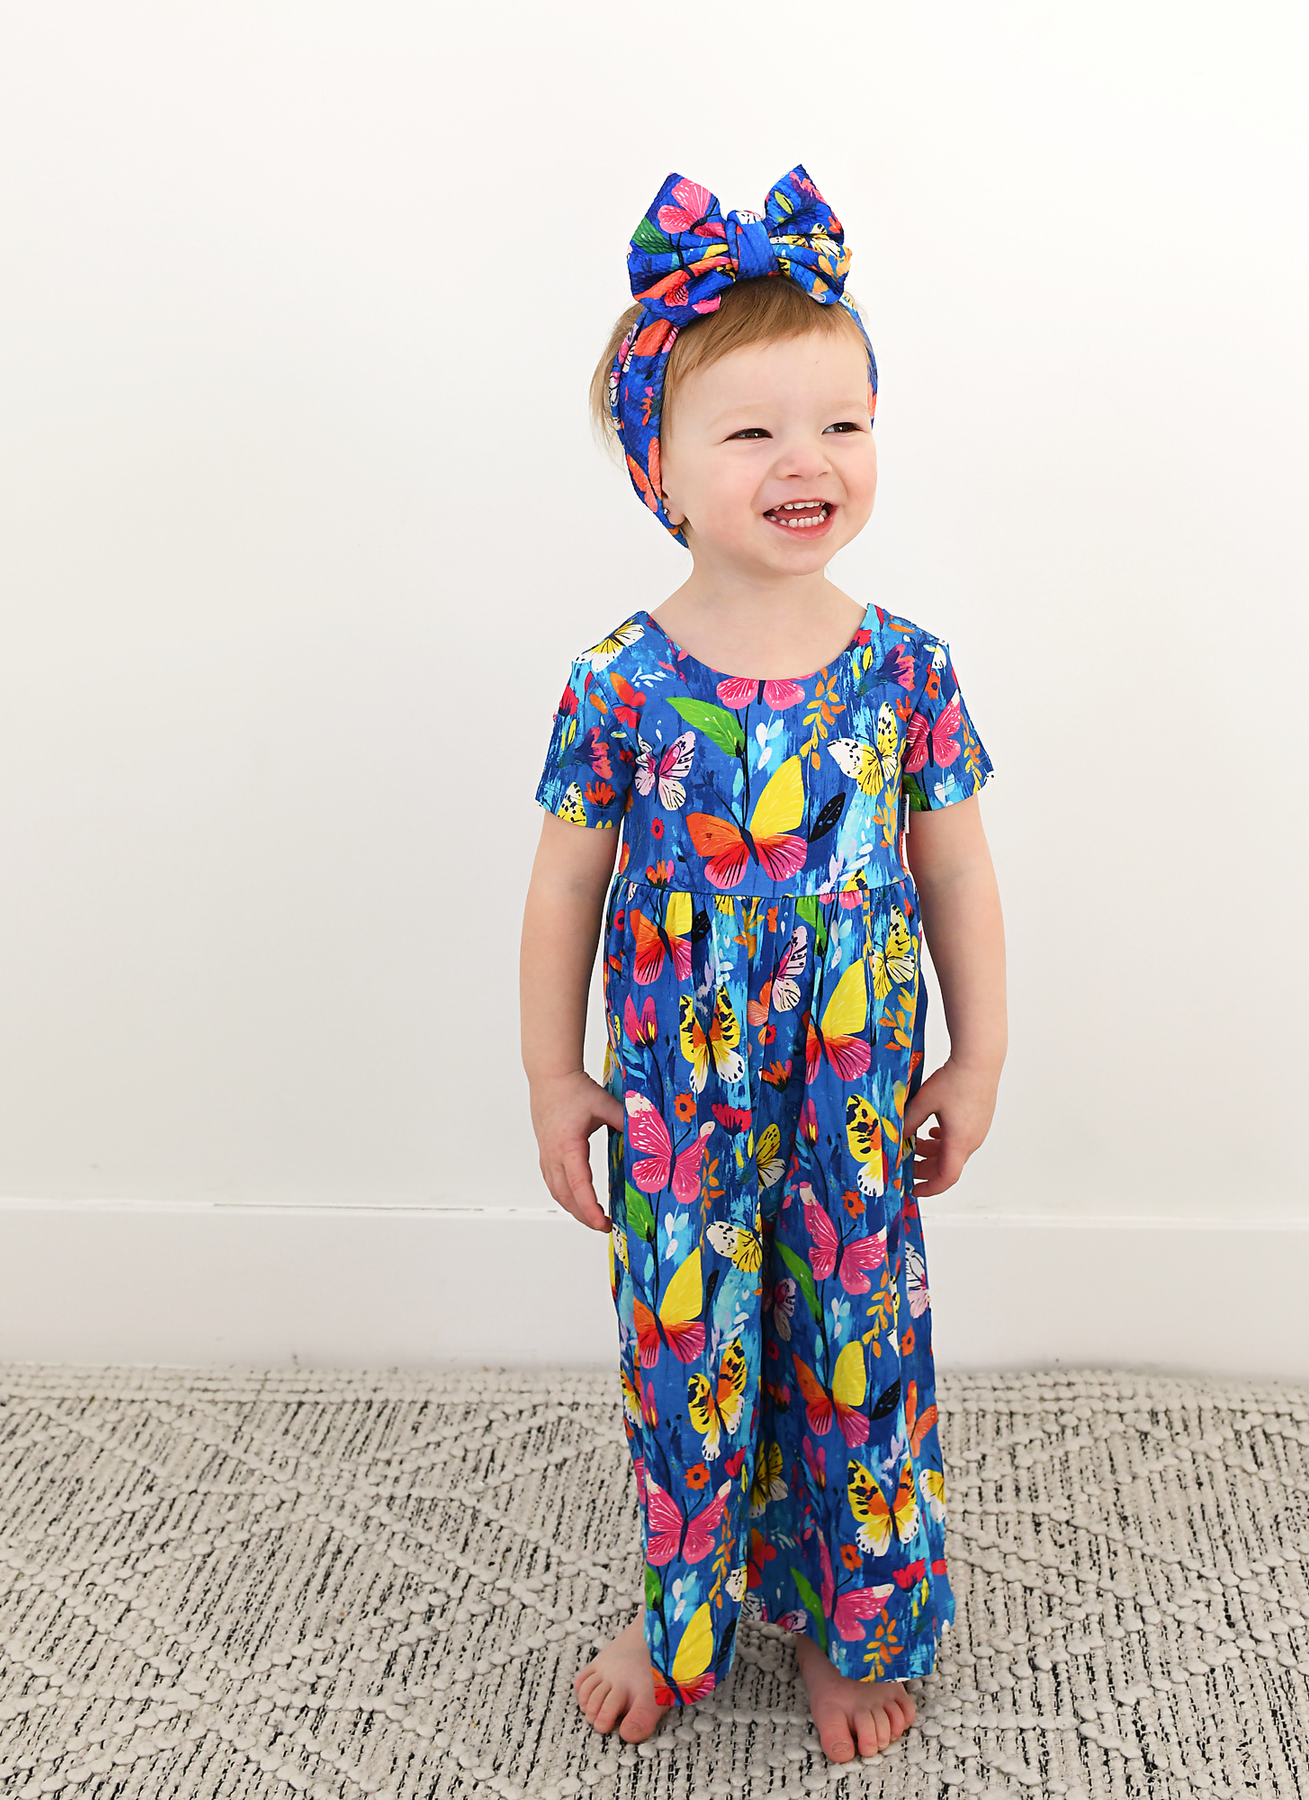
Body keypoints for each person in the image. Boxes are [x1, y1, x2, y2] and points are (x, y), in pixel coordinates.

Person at [518, 167, 1007, 1767]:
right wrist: (552, 1073)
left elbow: (956, 871)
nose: (808, 461)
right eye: (751, 433)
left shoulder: (903, 672)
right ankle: (683, 1611)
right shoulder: (620, 683)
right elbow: (567, 886)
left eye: (842, 424)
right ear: (657, 466)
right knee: (690, 1352)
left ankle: (851, 1623)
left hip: (852, 1092)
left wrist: (980, 1053)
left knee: (854, 1351)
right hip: (682, 1093)